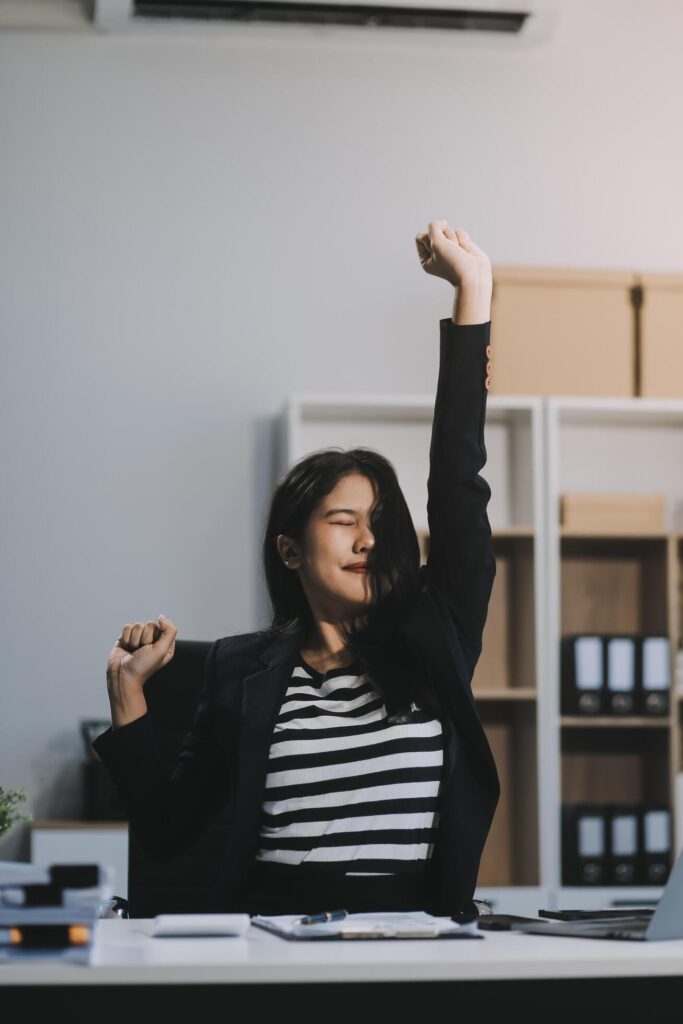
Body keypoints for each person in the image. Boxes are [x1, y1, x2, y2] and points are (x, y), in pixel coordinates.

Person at [92, 220, 500, 921]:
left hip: (417, 945)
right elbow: (165, 836)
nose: (367, 540)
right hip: (272, 944)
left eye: (380, 523)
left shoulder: (437, 634)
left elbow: (457, 483)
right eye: (342, 521)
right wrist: (128, 695)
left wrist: (474, 291)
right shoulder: (237, 670)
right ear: (289, 550)